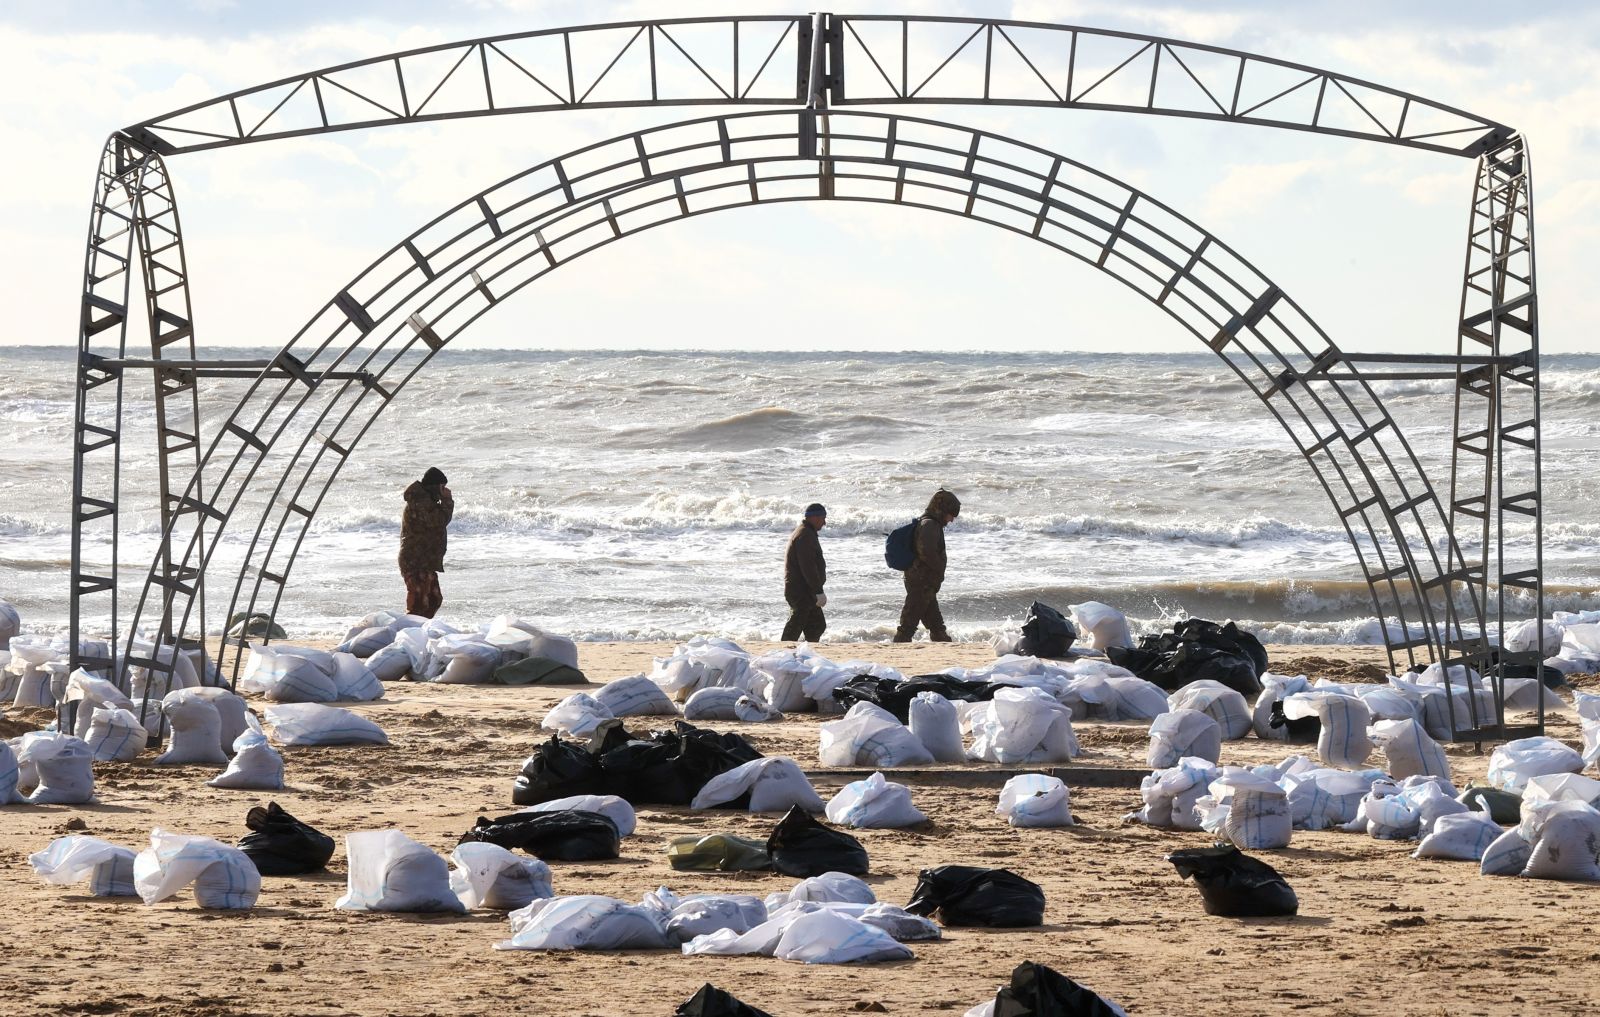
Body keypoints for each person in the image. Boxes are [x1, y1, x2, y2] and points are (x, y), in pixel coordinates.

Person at [894, 489, 961, 643]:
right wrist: (939, 570)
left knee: (936, 624)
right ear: (942, 509)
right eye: (951, 515)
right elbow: (927, 552)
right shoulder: (929, 525)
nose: (951, 520)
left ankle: (941, 640)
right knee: (908, 625)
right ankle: (897, 650)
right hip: (921, 582)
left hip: (926, 582)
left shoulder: (931, 523)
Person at [399, 466, 453, 618]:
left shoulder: (427, 501)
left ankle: (419, 630)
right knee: (418, 604)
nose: (445, 490)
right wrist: (447, 501)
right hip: (415, 560)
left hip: (424, 560)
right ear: (435, 486)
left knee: (434, 599)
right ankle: (410, 632)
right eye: (442, 487)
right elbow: (439, 521)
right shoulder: (420, 501)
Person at [782, 502, 828, 641]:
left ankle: (808, 653)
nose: (824, 522)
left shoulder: (806, 532)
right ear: (814, 518)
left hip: (805, 590)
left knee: (817, 625)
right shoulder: (805, 535)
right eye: (823, 518)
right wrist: (818, 590)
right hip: (801, 592)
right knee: (795, 627)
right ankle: (783, 654)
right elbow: (808, 567)